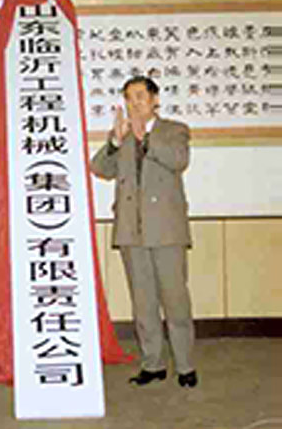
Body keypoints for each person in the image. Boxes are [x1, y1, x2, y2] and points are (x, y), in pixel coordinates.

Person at [90, 76, 197, 388]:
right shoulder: (122, 134)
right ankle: (153, 363)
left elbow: (179, 160)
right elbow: (100, 168)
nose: (133, 103)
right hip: (131, 231)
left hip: (166, 230)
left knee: (175, 301)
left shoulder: (174, 130)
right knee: (143, 302)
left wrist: (145, 139)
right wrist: (114, 141)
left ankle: (185, 366)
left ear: (154, 100)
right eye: (128, 97)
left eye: (139, 96)